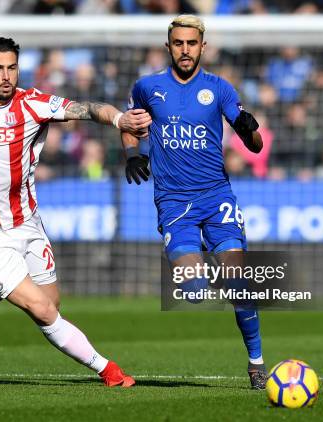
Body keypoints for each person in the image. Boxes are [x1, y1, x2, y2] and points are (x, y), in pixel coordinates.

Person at [0, 37, 151, 387]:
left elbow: (87, 108)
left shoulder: (32, 103)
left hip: (27, 224)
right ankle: (109, 371)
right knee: (42, 310)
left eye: (12, 67)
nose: (6, 76)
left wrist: (120, 121)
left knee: (52, 305)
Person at [121, 15, 268, 389]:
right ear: (168, 46)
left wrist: (252, 131)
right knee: (194, 290)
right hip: (174, 202)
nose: (185, 50)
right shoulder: (147, 87)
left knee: (238, 283)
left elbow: (254, 144)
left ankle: (256, 363)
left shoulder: (219, 89)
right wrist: (132, 154)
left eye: (191, 43)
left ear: (203, 46)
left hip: (217, 196)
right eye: (178, 43)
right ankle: (205, 260)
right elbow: (129, 125)